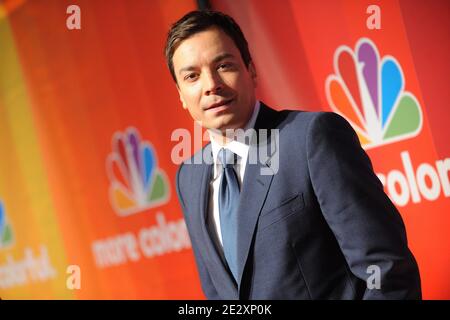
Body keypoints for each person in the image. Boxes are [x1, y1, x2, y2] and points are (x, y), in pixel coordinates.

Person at [165, 10, 421, 299]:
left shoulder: (311, 138)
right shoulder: (190, 177)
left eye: (224, 65)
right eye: (192, 76)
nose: (211, 85)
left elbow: (386, 270)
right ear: (180, 94)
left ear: (251, 69)